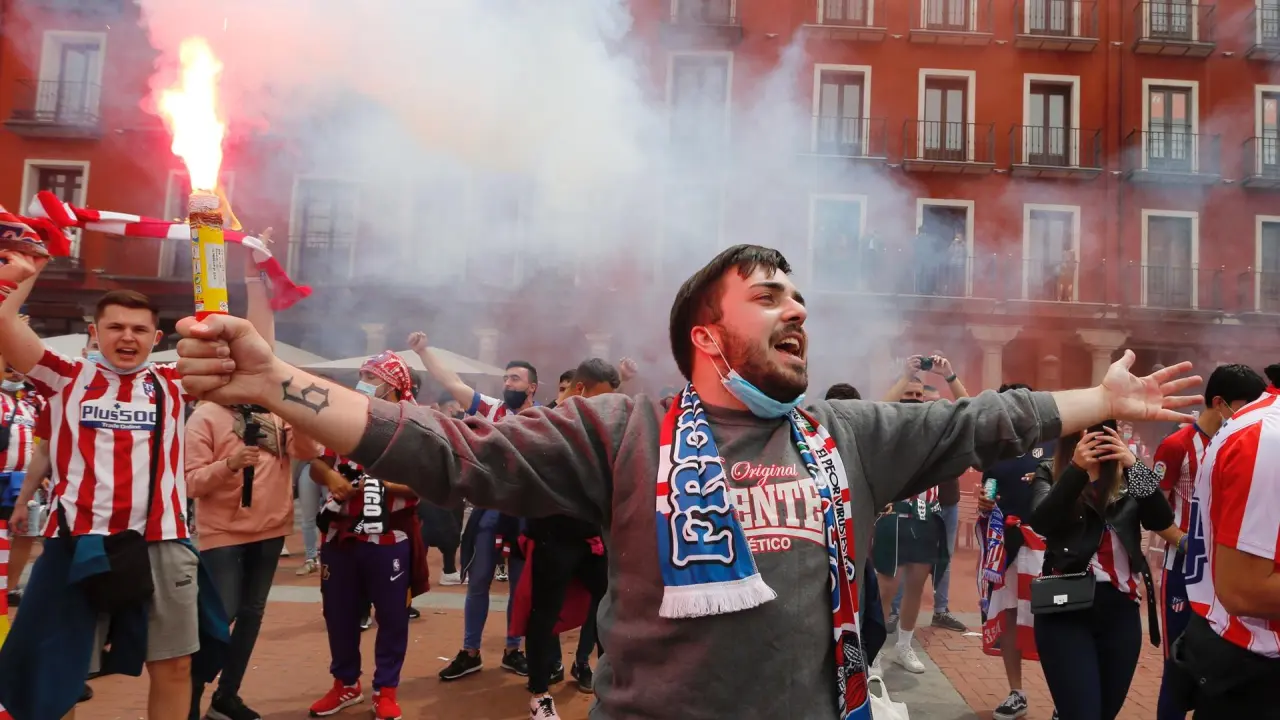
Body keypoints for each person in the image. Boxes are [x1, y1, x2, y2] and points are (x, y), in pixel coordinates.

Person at [173, 243, 1201, 720]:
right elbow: (452, 450)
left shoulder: (845, 435)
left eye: (799, 298)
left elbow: (983, 421)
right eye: (770, 297)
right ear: (707, 335)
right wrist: (277, 382)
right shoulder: (622, 431)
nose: (798, 310)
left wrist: (1098, 399)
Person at [0, 221, 245, 720]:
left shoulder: (174, 380)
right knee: (56, 672)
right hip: (77, 542)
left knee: (176, 667)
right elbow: (5, 325)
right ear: (95, 333)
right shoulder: (66, 376)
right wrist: (32, 268)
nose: (127, 337)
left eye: (138, 329)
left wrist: (259, 276)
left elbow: (249, 355)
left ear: (156, 338)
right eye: (115, 327)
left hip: (162, 541)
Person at [1027, 424, 1183, 720]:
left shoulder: (1128, 475)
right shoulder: (1051, 470)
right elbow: (1041, 520)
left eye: (1103, 428)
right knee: (1082, 713)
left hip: (1121, 609)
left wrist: (1133, 464)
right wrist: (1076, 469)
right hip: (1065, 607)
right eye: (1086, 429)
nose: (1094, 436)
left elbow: (1161, 518)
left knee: (1104, 711)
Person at [306, 350, 428, 720]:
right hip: (341, 535)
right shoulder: (343, 419)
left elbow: (427, 483)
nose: (363, 382)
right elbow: (316, 465)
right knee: (338, 613)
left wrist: (381, 484)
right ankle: (345, 684)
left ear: (393, 386)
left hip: (390, 538)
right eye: (362, 375)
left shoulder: (415, 426)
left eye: (371, 377)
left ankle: (385, 690)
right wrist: (332, 478)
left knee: (392, 616)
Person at [406, 331, 533, 681]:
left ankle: (513, 650)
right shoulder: (492, 409)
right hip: (489, 510)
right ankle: (470, 651)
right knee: (478, 582)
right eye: (506, 378)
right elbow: (452, 382)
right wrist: (424, 351)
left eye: (515, 379)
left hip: (527, 515)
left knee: (520, 587)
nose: (508, 383)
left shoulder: (546, 417)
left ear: (532, 387)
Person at [1161, 365, 1280, 718]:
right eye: (1244, 402)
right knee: (1177, 668)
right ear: (1220, 403)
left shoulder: (1237, 433)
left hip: (1222, 561)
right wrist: (1182, 541)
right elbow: (1151, 504)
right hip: (1188, 565)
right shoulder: (1177, 444)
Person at [519, 359, 617, 716]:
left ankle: (608, 685)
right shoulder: (545, 421)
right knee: (544, 614)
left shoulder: (605, 426)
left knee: (610, 608)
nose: (607, 406)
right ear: (580, 390)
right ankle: (539, 695)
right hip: (554, 538)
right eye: (601, 397)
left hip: (592, 539)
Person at [977, 383, 1056, 720]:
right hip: (1009, 545)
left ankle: (1062, 699)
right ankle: (1016, 692)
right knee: (1009, 615)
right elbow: (989, 491)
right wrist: (985, 503)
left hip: (1047, 546)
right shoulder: (997, 452)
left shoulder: (1055, 443)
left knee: (1053, 619)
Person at [883, 354, 971, 635]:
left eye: (918, 395)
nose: (914, 399)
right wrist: (905, 377)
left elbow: (970, 411)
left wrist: (949, 375)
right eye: (908, 394)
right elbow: (880, 409)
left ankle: (935, 615)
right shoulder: (893, 422)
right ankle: (891, 618)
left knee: (936, 563)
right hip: (900, 505)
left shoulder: (935, 423)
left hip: (937, 505)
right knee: (896, 566)